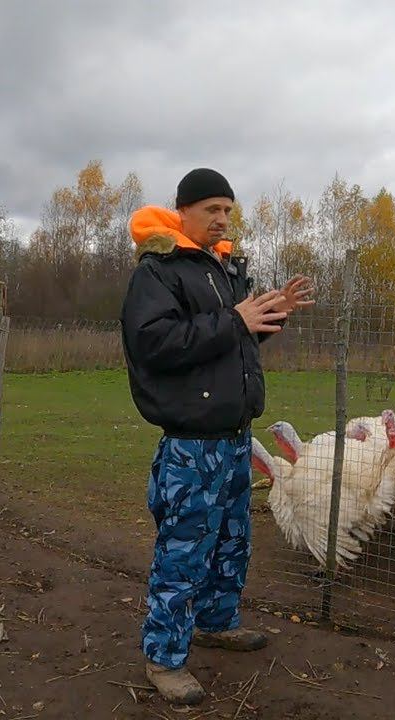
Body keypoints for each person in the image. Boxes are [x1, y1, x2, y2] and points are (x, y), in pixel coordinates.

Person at [119, 168, 314, 704]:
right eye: (212, 209)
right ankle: (164, 659)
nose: (223, 219)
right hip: (191, 445)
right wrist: (236, 319)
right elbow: (155, 342)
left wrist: (270, 315)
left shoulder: (223, 270)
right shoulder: (158, 272)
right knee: (183, 552)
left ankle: (217, 621)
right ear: (181, 211)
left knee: (232, 542)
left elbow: (233, 344)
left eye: (228, 210)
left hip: (234, 440)